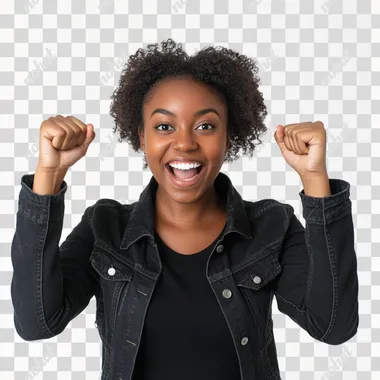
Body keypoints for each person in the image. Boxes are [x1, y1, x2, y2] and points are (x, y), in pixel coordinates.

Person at [11, 38, 358, 380]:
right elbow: (37, 322)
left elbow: (332, 326)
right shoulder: (105, 228)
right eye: (164, 126)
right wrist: (49, 177)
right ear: (142, 137)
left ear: (228, 137)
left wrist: (315, 180)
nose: (185, 143)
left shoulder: (271, 226)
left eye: (206, 126)